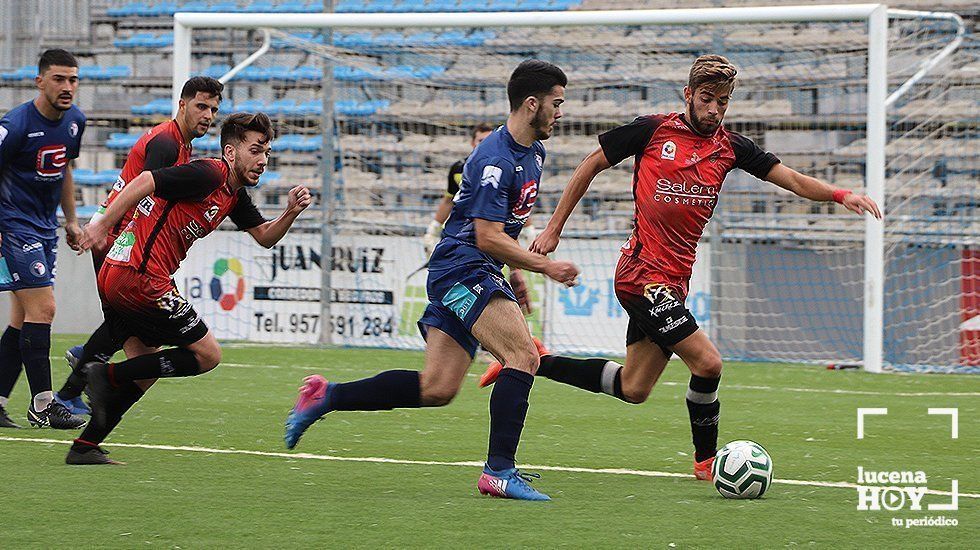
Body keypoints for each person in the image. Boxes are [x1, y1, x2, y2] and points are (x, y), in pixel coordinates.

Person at [479, 54, 882, 480]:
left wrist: (840, 195)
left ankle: (537, 359)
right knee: (708, 363)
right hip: (642, 276)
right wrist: (555, 228)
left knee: (633, 388)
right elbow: (590, 164)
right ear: (688, 95)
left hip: (674, 282)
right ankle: (707, 462)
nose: (714, 110)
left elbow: (795, 181)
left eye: (722, 102)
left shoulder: (730, 147)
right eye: (706, 99)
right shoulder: (653, 130)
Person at [284, 60, 579, 501]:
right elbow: (486, 236)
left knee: (437, 388)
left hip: (475, 269)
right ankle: (499, 471)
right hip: (463, 268)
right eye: (556, 103)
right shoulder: (494, 160)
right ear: (531, 103)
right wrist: (544, 267)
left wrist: (517, 268)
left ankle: (326, 396)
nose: (561, 112)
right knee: (523, 356)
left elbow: (508, 228)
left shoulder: (533, 153)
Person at [67, 112, 312, 464]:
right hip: (140, 276)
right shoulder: (209, 173)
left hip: (122, 273)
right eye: (255, 150)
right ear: (230, 152)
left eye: (267, 153)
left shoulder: (234, 194)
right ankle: (103, 374)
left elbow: (265, 237)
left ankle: (85, 446)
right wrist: (103, 223)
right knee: (208, 354)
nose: (262, 160)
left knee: (146, 367)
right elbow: (146, 180)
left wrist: (290, 212)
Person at [55, 76, 225, 416]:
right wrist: (104, 227)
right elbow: (148, 193)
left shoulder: (178, 142)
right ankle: (74, 384)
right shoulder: (165, 143)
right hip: (120, 241)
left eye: (214, 110)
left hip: (122, 238)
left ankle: (89, 365)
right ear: (182, 105)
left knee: (141, 343)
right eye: (201, 106)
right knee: (130, 324)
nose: (207, 115)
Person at [0, 49, 87, 430]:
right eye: (59, 79)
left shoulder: (75, 122)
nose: (67, 87)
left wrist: (70, 221)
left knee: (22, 320)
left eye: (73, 79)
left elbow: (64, 169)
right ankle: (43, 404)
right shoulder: (15, 125)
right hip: (12, 226)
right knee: (45, 309)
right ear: (39, 81)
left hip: (43, 227)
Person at [422, 122, 494, 257]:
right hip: (461, 233)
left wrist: (528, 230)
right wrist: (433, 229)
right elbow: (449, 200)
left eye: (489, 141)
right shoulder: (458, 169)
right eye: (481, 141)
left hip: (492, 234)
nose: (485, 145)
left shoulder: (503, 169)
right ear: (473, 143)